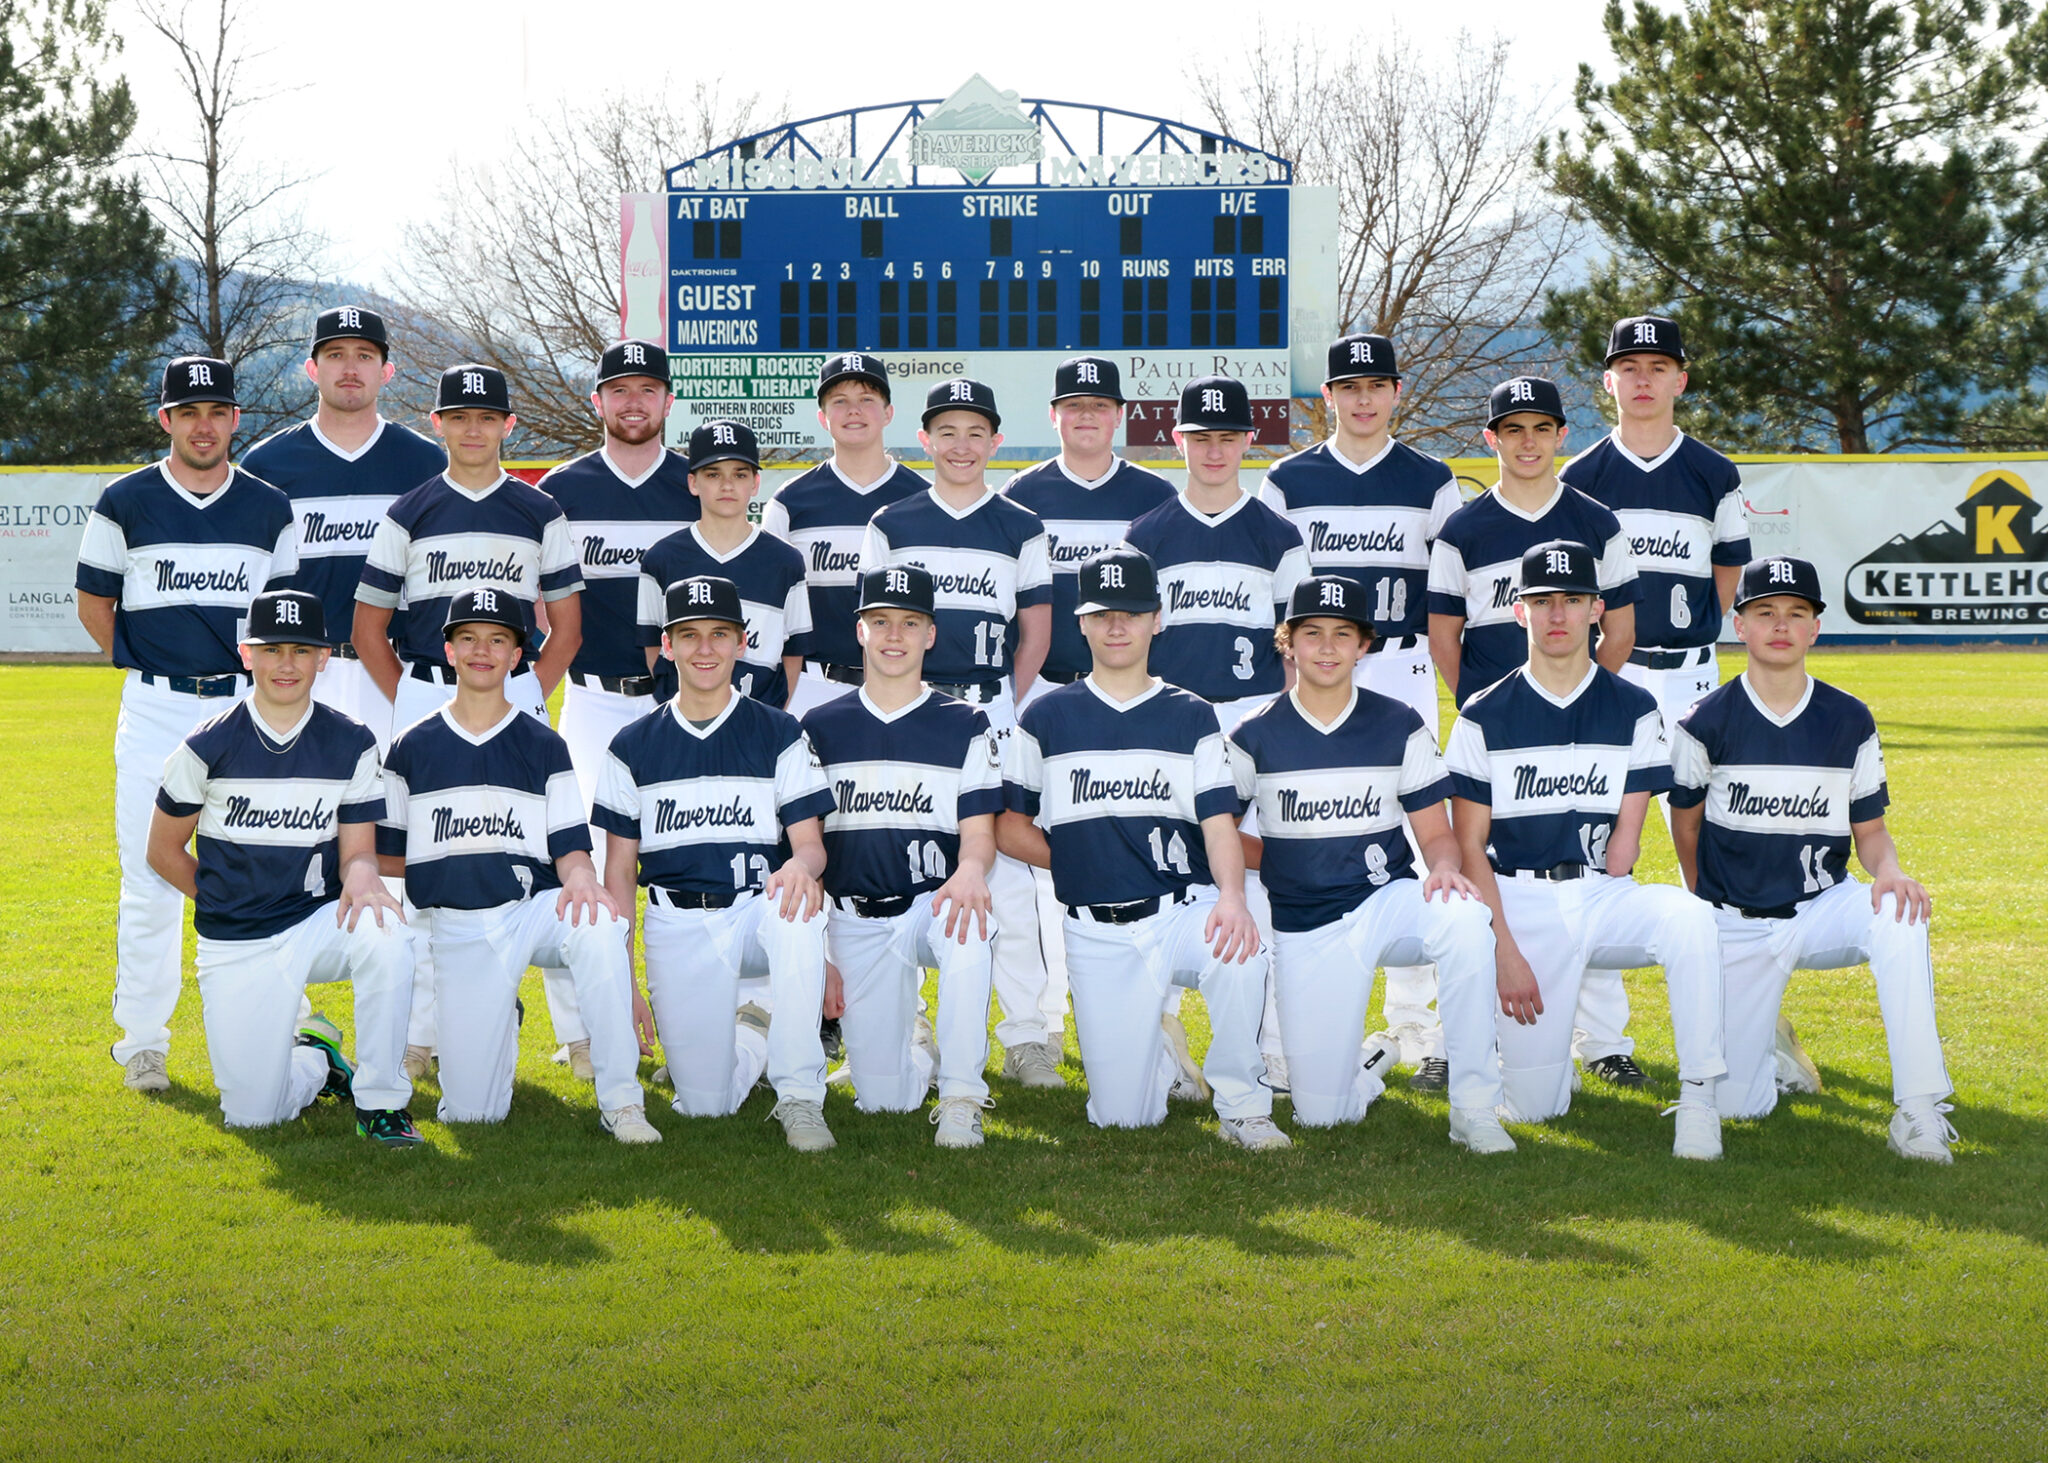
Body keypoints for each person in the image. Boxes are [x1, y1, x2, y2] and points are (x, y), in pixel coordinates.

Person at [998, 548, 1287, 1150]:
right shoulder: (1046, 717)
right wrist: (1077, 860)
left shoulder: (1191, 715)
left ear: (1158, 618)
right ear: (1081, 623)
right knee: (1123, 1119)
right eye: (1102, 615)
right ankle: (1163, 1055)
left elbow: (1217, 824)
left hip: (1181, 910)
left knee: (1240, 954)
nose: (1117, 626)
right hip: (1097, 930)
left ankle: (1243, 1106)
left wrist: (1233, 897)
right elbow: (1007, 825)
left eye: (1131, 613)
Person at [1444, 541, 1724, 1159]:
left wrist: (1615, 857)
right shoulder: (1482, 714)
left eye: (1572, 601)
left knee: (1691, 918)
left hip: (1600, 893)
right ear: (1519, 612)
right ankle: (1528, 1060)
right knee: (1535, 1107)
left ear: (1598, 608)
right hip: (1516, 898)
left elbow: (1625, 849)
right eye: (1543, 602)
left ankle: (1701, 1100)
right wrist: (1505, 950)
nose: (1558, 616)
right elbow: (1469, 848)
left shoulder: (1634, 705)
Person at [1669, 556, 1955, 1161]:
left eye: (1796, 613)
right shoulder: (1704, 721)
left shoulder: (1848, 717)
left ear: (1815, 629)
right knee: (1739, 1106)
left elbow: (1870, 831)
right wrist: (1710, 910)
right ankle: (1775, 1048)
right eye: (1764, 613)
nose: (1781, 625)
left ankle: (1920, 1111)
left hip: (1821, 906)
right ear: (1739, 626)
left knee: (1901, 914)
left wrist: (1891, 871)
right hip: (1737, 920)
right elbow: (1686, 828)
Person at [354, 363, 586, 1078]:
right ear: (438, 424)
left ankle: (579, 1033)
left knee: (544, 853)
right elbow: (370, 629)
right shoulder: (410, 510)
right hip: (427, 690)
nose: (474, 429)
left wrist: (520, 693)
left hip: (512, 691)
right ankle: (421, 1033)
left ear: (508, 425)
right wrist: (421, 698)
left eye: (488, 418)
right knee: (427, 857)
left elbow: (568, 629)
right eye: (460, 417)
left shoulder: (537, 510)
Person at [74, 355, 298, 1093]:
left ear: (236, 419)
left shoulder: (269, 507)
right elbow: (95, 606)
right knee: (148, 876)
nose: (204, 425)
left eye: (218, 412)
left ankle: (277, 1021)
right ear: (165, 419)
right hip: (157, 706)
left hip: (245, 706)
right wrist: (152, 665)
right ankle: (143, 1041)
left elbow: (281, 622)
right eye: (188, 412)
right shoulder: (125, 500)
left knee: (265, 867)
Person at [1226, 575, 1508, 1153]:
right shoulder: (1253, 733)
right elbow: (1219, 833)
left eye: (1342, 634)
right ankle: (1371, 1062)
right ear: (1289, 643)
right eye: (1312, 634)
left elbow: (1435, 831)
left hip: (1386, 902)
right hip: (1307, 921)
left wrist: (1444, 868)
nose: (1327, 647)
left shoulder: (1397, 720)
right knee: (1322, 1117)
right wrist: (1282, 856)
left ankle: (1475, 1107)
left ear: (1364, 645)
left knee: (1465, 922)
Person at [1260, 333, 1467, 1087]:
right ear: (1328, 398)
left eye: (1377, 384)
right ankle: (1316, 1004)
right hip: (1313, 668)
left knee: (1416, 837)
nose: (1364, 398)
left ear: (1397, 394)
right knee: (1322, 823)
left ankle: (1416, 1025)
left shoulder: (1434, 480)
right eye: (1349, 386)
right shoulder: (1287, 481)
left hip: (1403, 667)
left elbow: (1451, 593)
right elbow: (1274, 594)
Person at [376, 590, 657, 1142]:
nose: (483, 651)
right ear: (449, 651)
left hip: (533, 910)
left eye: (498, 640)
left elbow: (572, 848)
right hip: (461, 926)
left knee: (600, 923)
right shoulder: (412, 746)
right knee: (474, 1114)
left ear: (517, 655)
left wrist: (581, 876)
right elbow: (389, 855)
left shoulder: (544, 743)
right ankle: (495, 1017)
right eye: (469, 639)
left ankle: (623, 1101)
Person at [1559, 315, 1753, 1091]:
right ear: (1608, 382)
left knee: (1708, 839)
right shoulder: (1580, 476)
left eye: (1657, 365)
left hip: (1692, 674)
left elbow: (1728, 579)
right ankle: (1604, 1037)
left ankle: (1732, 1024)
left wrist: (1693, 640)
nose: (1642, 378)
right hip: (1614, 672)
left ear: (1681, 379)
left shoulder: (1714, 472)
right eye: (1627, 366)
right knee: (1597, 840)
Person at [146, 590, 417, 1143]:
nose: (286, 664)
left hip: (315, 924)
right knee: (253, 1115)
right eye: (272, 650)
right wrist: (220, 897)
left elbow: (359, 851)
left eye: (301, 650)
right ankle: (318, 1061)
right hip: (237, 936)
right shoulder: (206, 746)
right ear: (246, 654)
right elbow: (162, 851)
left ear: (323, 658)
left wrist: (363, 872)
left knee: (386, 930)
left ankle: (382, 1102)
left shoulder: (352, 741)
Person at [859, 378, 1061, 1090]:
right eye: (948, 431)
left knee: (1007, 876)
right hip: (911, 713)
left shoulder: (1020, 525)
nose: (961, 445)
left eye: (976, 432)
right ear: (926, 439)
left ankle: (1026, 1034)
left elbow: (1034, 632)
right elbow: (880, 630)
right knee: (904, 859)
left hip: (989, 710)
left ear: (996, 441)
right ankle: (914, 1019)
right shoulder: (892, 522)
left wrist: (1003, 700)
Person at [594, 575, 840, 1152]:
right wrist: (626, 981)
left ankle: (801, 1097)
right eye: (690, 635)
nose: (705, 649)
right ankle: (755, 1027)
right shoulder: (630, 745)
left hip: (757, 910)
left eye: (720, 635)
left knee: (797, 911)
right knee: (707, 1105)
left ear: (742, 642)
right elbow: (620, 874)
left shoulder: (778, 731)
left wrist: (802, 867)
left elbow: (811, 846)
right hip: (677, 921)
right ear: (668, 644)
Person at [1123, 374, 1309, 1090]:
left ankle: (1268, 1042)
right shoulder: (1146, 535)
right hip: (1170, 720)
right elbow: (1129, 644)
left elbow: (1296, 646)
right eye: (1201, 437)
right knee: (1163, 868)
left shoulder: (1278, 533)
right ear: (1179, 441)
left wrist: (1288, 731)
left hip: (1254, 717)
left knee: (1261, 871)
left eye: (1228, 436)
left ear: (1247, 442)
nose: (1214, 449)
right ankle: (1161, 1037)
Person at [1001, 355, 1176, 1063]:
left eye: (1100, 406)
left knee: (1132, 846)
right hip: (1050, 691)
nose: (1086, 416)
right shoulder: (1019, 494)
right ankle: (1036, 1027)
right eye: (1073, 405)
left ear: (1119, 415)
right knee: (1034, 864)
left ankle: (1150, 1015)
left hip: (1128, 694)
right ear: (1053, 415)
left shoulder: (1155, 495)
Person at [533, 339, 699, 1081]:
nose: (634, 403)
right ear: (597, 401)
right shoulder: (560, 489)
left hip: (683, 703)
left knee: (677, 857)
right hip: (594, 700)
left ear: (668, 401)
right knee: (579, 863)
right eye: (619, 390)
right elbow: (539, 602)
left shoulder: (697, 484)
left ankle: (679, 1021)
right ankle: (587, 1032)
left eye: (648, 390)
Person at [803, 565, 1002, 1147]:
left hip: (929, 905)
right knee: (882, 1102)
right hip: (854, 917)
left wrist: (969, 870)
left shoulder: (965, 721)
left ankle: (963, 1096)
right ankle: (917, 1045)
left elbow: (980, 832)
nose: (895, 635)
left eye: (910, 623)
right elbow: (805, 847)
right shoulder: (819, 725)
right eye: (881, 621)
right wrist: (819, 952)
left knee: (970, 927)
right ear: (859, 630)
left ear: (930, 634)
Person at [241, 306, 447, 754]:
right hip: (299, 668)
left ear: (386, 371)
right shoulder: (266, 464)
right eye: (335, 354)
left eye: (365, 355)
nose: (350, 368)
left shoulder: (427, 463)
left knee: (396, 817)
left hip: (397, 666)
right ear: (313, 369)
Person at [1427, 376, 1637, 711]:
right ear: (1491, 438)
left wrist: (1583, 699)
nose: (1529, 442)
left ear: (1560, 436)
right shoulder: (1461, 531)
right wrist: (1477, 706)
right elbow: (1442, 639)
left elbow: (1621, 633)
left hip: (1576, 716)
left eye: (1541, 429)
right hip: (1493, 719)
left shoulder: (1598, 522)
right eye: (1514, 430)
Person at [765, 353, 928, 719]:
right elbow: (770, 608)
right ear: (823, 418)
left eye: (867, 399)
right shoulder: (789, 503)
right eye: (840, 401)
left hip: (907, 687)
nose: (854, 411)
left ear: (888, 413)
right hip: (812, 687)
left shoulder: (925, 500)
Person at [638, 418, 808, 707]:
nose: (727, 485)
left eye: (740, 475)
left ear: (756, 483)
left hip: (759, 724)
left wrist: (773, 717)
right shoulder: (662, 559)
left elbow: (793, 654)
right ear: (693, 482)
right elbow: (655, 647)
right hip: (683, 724)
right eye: (713, 474)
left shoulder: (786, 561)